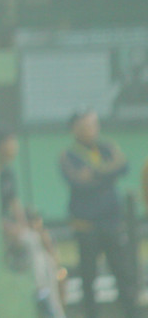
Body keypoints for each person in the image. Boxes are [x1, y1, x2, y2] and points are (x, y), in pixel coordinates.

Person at [60, 109, 140, 317]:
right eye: (86, 126)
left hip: (112, 221)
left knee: (122, 271)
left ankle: (130, 311)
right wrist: (106, 173)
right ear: (75, 129)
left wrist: (95, 172)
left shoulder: (107, 147)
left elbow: (123, 165)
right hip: (86, 224)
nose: (92, 130)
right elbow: (80, 181)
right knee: (89, 275)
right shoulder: (68, 155)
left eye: (94, 125)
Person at [0, 130, 67, 318]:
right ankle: (40, 291)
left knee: (47, 259)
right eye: (10, 141)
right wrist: (11, 228)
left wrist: (22, 225)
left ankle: (54, 309)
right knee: (30, 242)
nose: (15, 146)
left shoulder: (7, 173)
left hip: (12, 232)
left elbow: (15, 204)